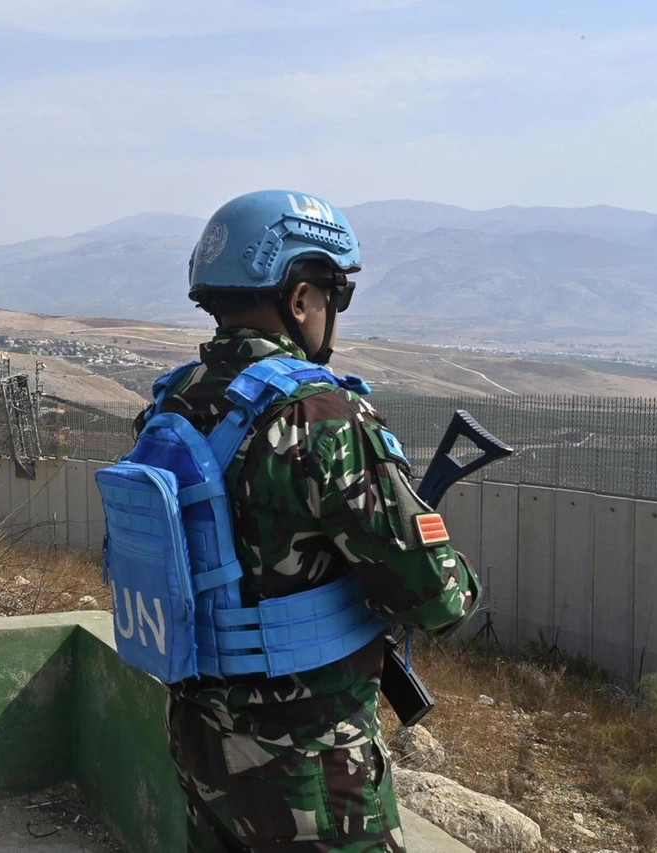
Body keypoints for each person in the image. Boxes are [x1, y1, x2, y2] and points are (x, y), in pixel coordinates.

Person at [154, 191, 479, 852]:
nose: (334, 315)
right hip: (308, 765)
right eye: (336, 296)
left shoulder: (173, 403)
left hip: (201, 741)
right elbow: (437, 598)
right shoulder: (319, 415)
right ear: (300, 299)